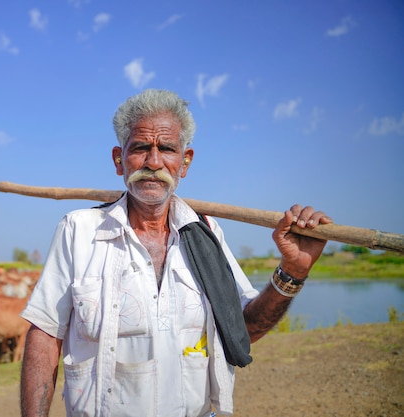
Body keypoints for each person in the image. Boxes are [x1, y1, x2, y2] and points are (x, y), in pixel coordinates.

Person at [19, 89, 332, 417]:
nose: (153, 162)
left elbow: (242, 330)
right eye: (141, 148)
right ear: (118, 159)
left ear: (185, 162)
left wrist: (293, 270)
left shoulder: (206, 235)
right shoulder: (79, 231)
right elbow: (44, 334)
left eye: (166, 149)